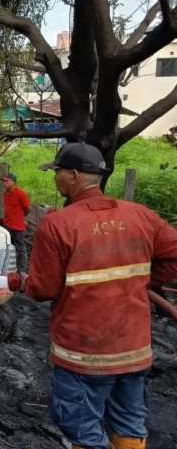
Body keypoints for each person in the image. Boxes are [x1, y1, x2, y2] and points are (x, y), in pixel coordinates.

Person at [20, 142, 177, 449]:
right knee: (130, 421)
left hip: (84, 354)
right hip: (133, 349)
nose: (55, 178)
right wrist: (138, 281)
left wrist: (25, 281)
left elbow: (44, 290)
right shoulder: (141, 216)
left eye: (58, 172)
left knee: (81, 427)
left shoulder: (57, 225)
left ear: (74, 176)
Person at [1, 173, 30, 276]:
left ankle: (22, 271)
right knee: (9, 248)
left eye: (7, 181)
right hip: (7, 224)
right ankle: (9, 269)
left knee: (20, 249)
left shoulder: (20, 193)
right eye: (4, 181)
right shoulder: (5, 194)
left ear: (13, 182)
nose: (5, 183)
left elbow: (27, 208)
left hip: (18, 226)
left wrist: (22, 217)